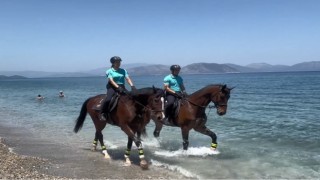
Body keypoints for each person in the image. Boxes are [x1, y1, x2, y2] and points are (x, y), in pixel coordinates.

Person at [100, 56, 136, 121]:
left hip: (122, 86)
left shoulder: (123, 70)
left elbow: (128, 79)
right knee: (108, 99)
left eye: (119, 62)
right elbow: (111, 80)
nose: (119, 63)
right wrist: (118, 87)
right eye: (117, 62)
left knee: (132, 97)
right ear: (113, 63)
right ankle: (103, 113)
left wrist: (132, 86)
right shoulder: (109, 71)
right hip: (112, 87)